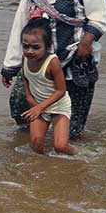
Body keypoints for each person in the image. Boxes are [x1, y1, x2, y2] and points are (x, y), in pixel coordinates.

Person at [1, 0, 106, 140]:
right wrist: (11, 66)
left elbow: (100, 16)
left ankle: (67, 157)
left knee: (73, 127)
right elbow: (20, 25)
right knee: (19, 106)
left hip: (75, 61)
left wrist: (87, 42)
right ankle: (30, 142)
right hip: (38, 62)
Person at [19, 17, 75, 156]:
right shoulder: (25, 58)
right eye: (25, 46)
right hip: (38, 106)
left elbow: (61, 91)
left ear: (48, 46)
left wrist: (39, 107)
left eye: (36, 47)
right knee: (36, 146)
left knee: (60, 147)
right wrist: (30, 98)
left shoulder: (52, 62)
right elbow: (25, 78)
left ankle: (77, 157)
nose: (30, 51)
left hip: (58, 106)